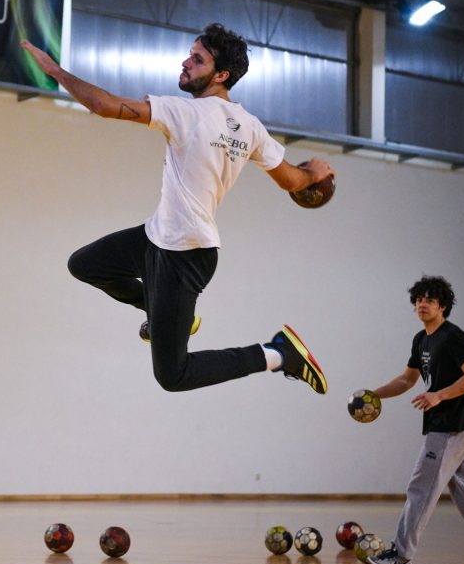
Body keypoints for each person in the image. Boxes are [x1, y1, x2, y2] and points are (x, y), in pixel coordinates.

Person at [21, 24, 331, 395]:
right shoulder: (250, 127)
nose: (186, 62)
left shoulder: (185, 112)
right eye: (190, 53)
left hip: (186, 254)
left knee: (174, 375)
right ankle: (160, 311)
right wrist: (313, 171)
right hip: (157, 238)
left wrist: (55, 72)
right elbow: (293, 183)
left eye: (197, 59)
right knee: (84, 265)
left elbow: (103, 105)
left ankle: (277, 353)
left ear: (221, 75)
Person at [367, 275, 464, 564]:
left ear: (443, 306)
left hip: (450, 427)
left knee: (421, 487)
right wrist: (373, 395)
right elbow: (406, 380)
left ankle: (402, 555)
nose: (423, 304)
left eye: (430, 300)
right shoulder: (422, 339)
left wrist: (438, 396)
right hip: (452, 426)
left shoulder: (452, 336)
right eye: (419, 299)